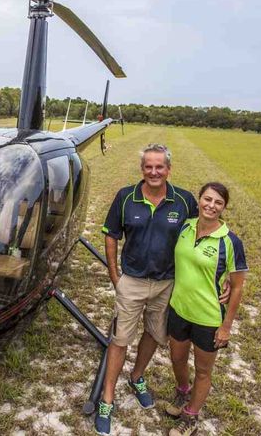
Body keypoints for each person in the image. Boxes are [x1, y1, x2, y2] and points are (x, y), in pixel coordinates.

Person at [94, 144, 198, 435]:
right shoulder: (125, 197)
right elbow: (111, 235)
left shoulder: (184, 200)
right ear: (142, 169)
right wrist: (115, 275)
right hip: (132, 281)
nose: (154, 172)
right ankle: (107, 399)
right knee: (120, 339)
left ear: (168, 169)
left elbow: (202, 235)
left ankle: (137, 377)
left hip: (167, 283)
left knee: (154, 333)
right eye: (148, 167)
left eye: (159, 167)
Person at [165, 182, 248, 436]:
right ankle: (183, 392)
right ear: (199, 199)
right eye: (207, 199)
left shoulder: (230, 241)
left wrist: (226, 327)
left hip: (208, 318)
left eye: (218, 202)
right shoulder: (186, 226)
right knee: (177, 359)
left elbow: (237, 287)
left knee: (202, 371)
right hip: (179, 309)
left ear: (224, 207)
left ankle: (191, 416)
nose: (211, 205)